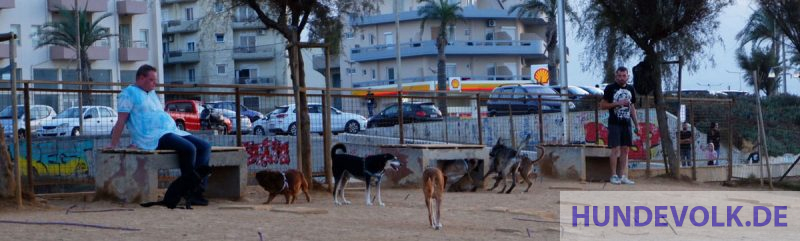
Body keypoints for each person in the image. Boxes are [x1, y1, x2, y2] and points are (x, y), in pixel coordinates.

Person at [108, 64, 211, 205]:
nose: (154, 83)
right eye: (151, 80)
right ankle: (188, 192)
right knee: (189, 149)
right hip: (151, 136)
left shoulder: (151, 93)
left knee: (204, 147)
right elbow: (121, 121)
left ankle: (197, 190)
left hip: (170, 130)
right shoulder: (128, 94)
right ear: (141, 77)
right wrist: (114, 144)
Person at [600, 67, 638, 185]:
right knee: (615, 149)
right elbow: (603, 105)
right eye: (619, 76)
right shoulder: (610, 88)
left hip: (626, 123)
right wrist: (618, 103)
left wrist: (636, 124)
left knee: (625, 150)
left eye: (624, 76)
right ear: (616, 76)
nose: (622, 78)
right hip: (614, 123)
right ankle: (613, 175)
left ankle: (622, 176)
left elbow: (632, 107)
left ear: (627, 76)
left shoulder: (631, 89)